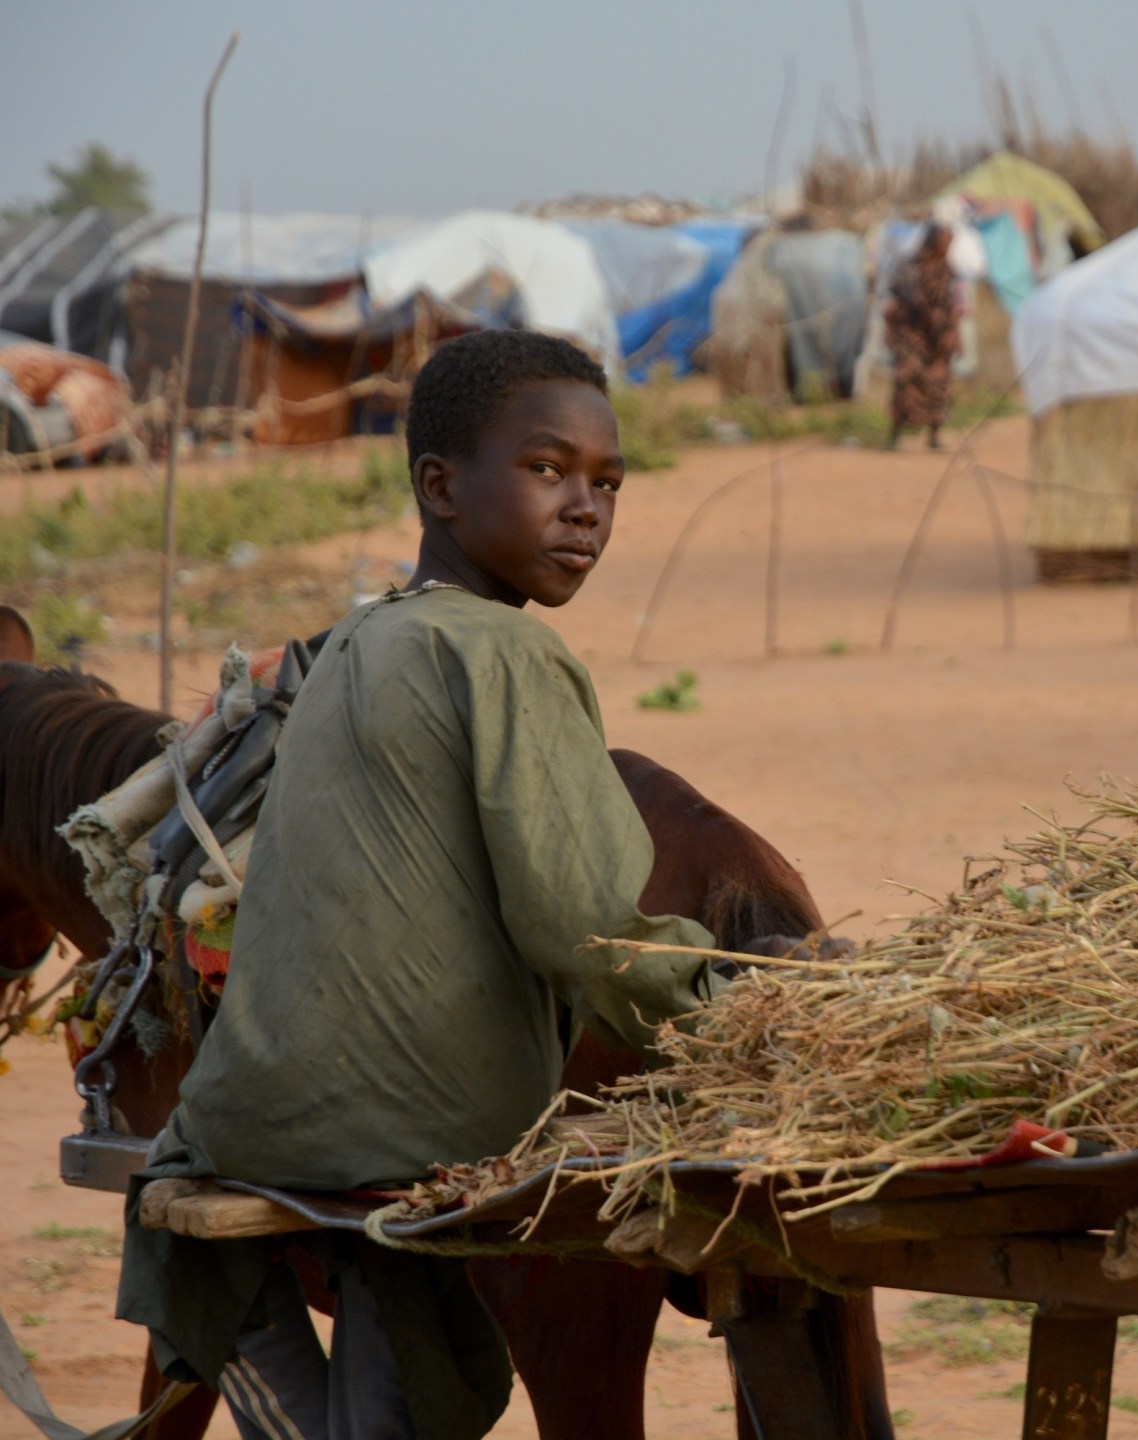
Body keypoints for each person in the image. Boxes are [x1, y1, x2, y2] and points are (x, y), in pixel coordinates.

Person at [118, 331, 722, 1440]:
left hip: (238, 1119)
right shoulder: (507, 656)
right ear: (440, 486)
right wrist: (738, 1007)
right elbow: (585, 927)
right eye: (548, 470)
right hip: (415, 1133)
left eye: (607, 483)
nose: (585, 508)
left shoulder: (347, 643)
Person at [884, 223, 959, 450]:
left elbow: (949, 305)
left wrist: (952, 333)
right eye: (944, 241)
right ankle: (895, 435)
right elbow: (901, 301)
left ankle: (934, 436)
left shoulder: (946, 269)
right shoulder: (911, 268)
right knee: (906, 382)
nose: (947, 246)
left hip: (938, 341)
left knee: (938, 384)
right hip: (913, 338)